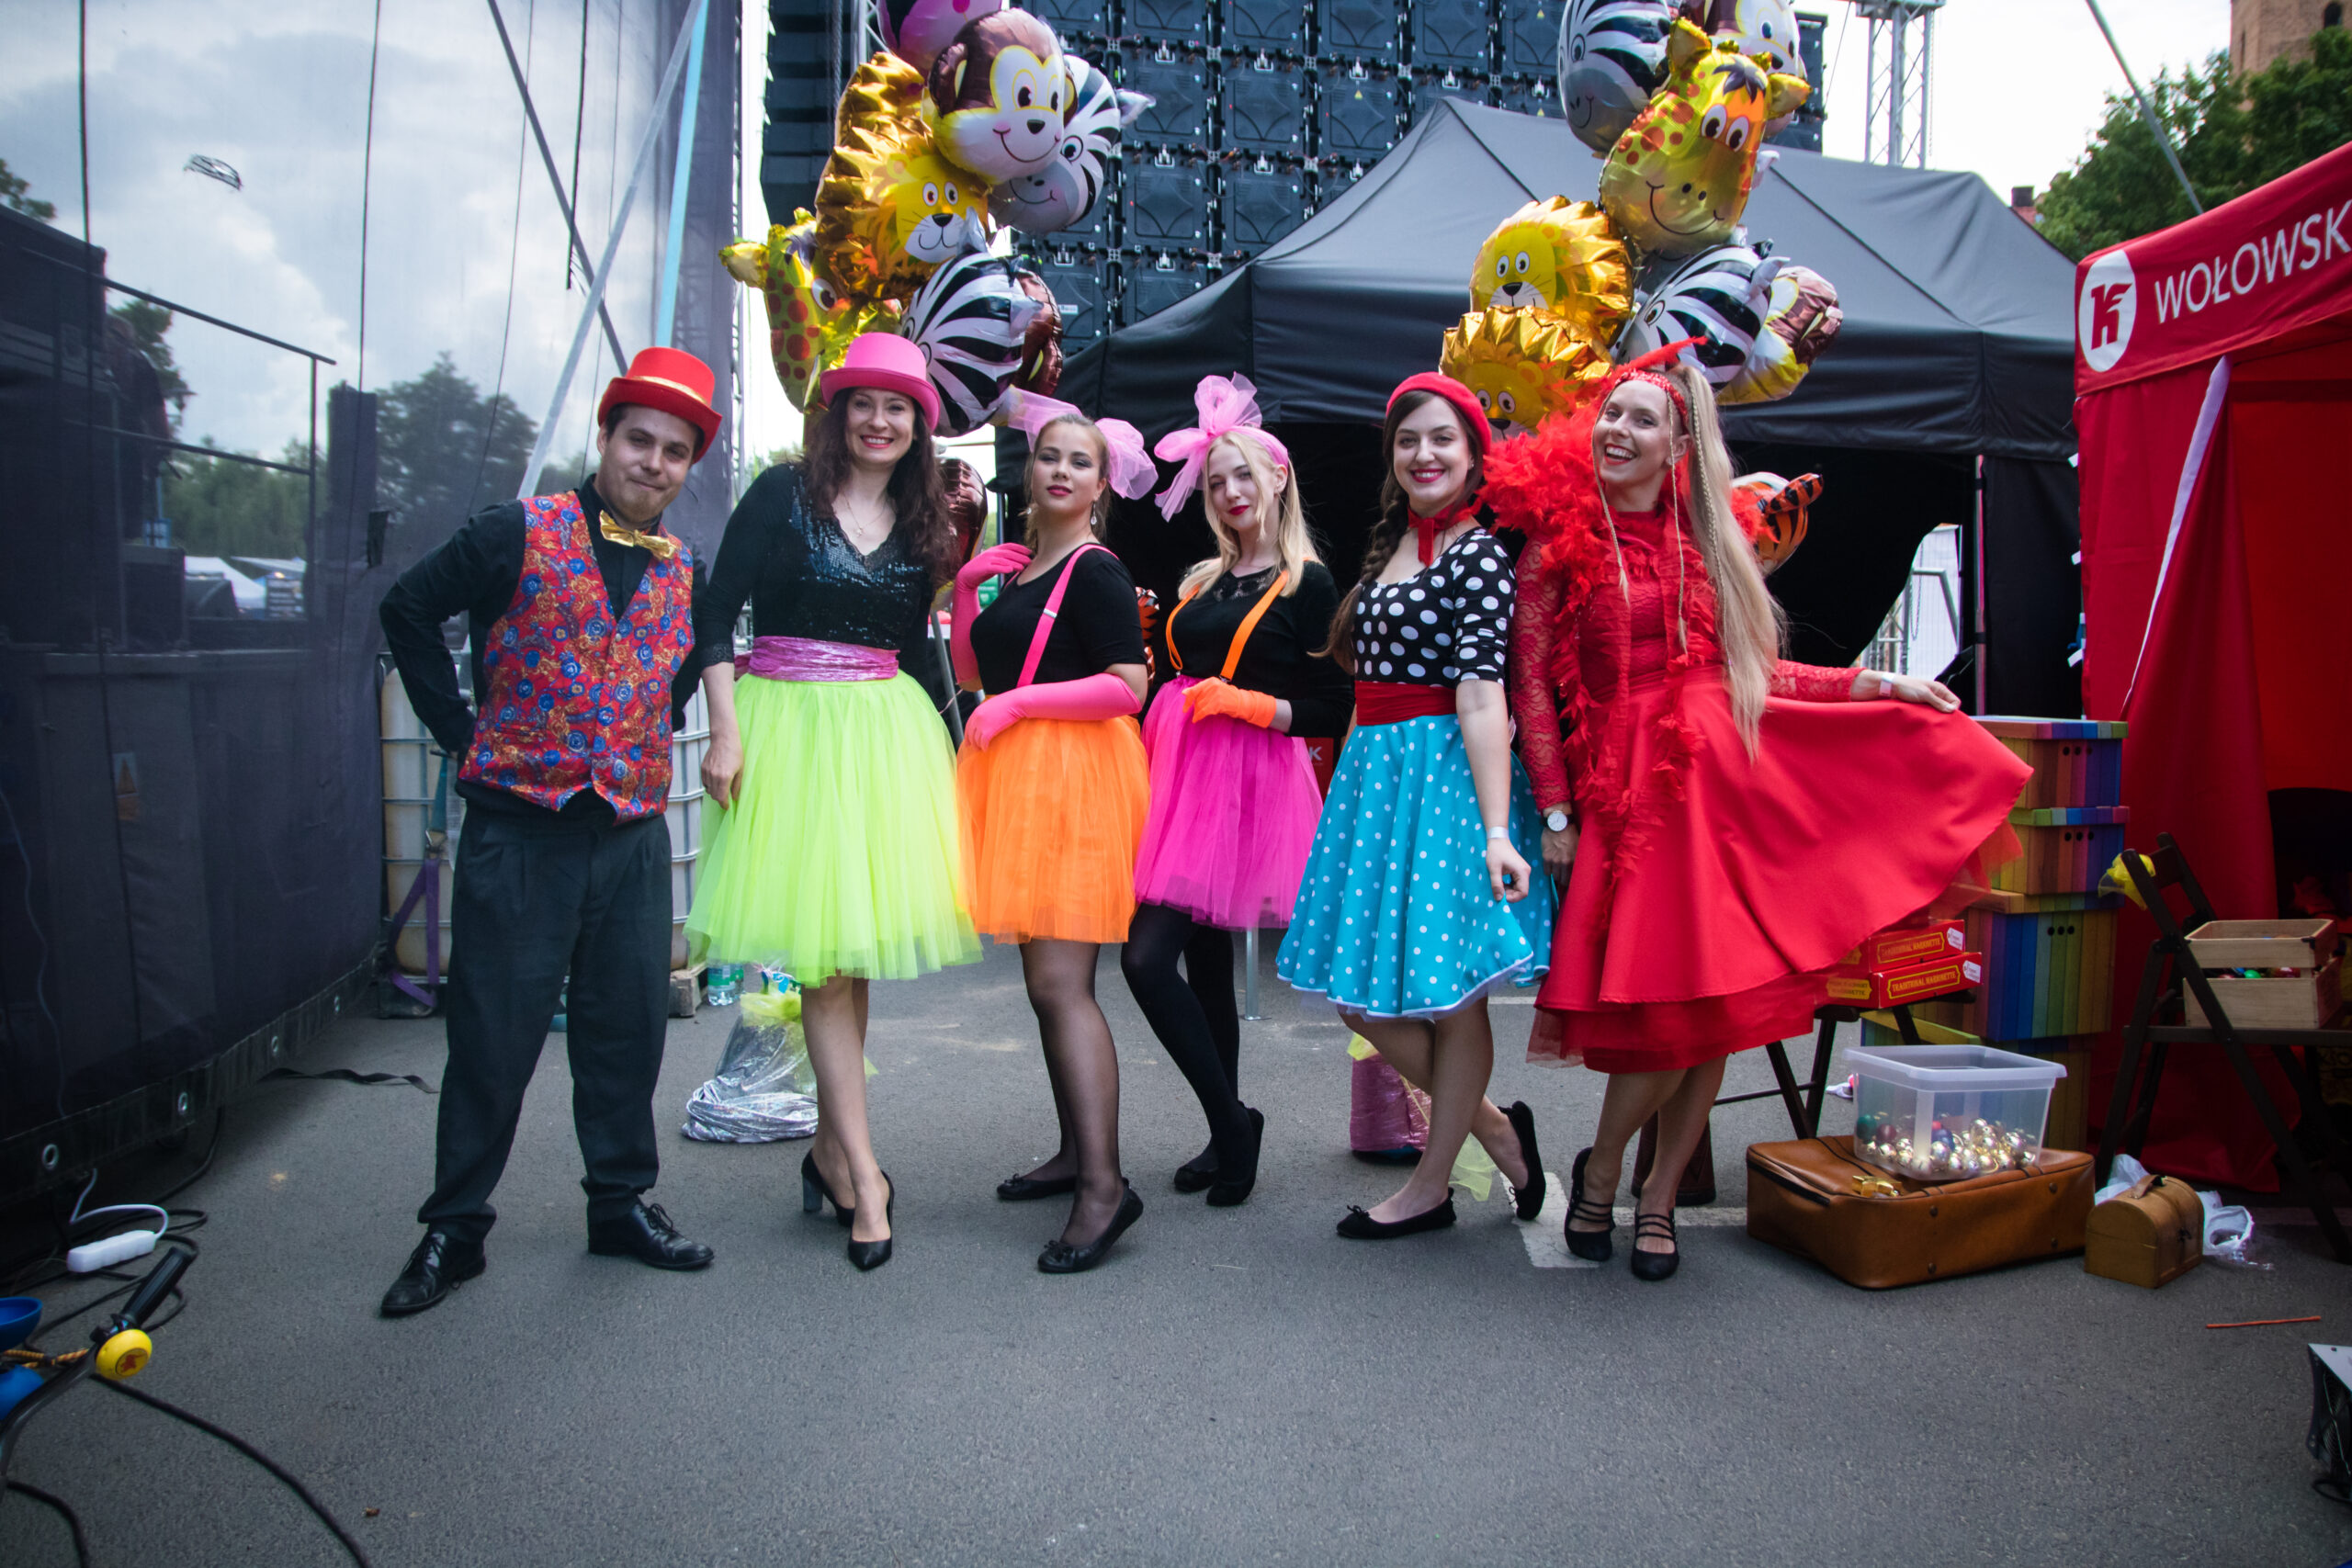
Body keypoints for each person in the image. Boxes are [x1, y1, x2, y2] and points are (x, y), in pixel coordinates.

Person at [1489, 345, 2030, 1282]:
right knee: (1664, 1013)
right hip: (1630, 802)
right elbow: (1530, 688)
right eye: (1611, 414)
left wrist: (1874, 684)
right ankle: (1605, 1169)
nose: (1618, 430)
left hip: (1724, 793)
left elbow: (1755, 671)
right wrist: (1554, 810)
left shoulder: (1708, 543)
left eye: (1642, 420)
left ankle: (1655, 1197)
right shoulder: (1554, 547)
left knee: (1717, 1012)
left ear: (1677, 447)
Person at [375, 347, 727, 1317]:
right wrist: (462, 731)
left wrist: (636, 734)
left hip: (630, 835)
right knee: (493, 1035)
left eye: (675, 451)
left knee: (627, 1032)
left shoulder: (685, 570)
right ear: (605, 438)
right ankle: (455, 1227)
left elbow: (678, 672)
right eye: (640, 440)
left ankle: (619, 1204)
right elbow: (407, 610)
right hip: (520, 831)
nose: (654, 463)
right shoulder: (514, 531)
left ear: (688, 466)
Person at [685, 333, 981, 1273]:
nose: (880, 420)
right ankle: (864, 1173)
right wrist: (724, 730)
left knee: (848, 960)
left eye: (899, 408)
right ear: (839, 412)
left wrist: (958, 749)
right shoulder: (782, 492)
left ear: (919, 427)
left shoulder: (926, 520)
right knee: (821, 965)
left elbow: (919, 646)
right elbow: (713, 611)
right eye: (865, 403)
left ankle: (826, 1152)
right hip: (788, 732)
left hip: (882, 738)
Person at [1276, 373, 1556, 1242]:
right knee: (1360, 995)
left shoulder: (1479, 552)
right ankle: (1498, 1130)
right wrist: (1343, 794)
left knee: (1453, 996)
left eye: (1442, 438)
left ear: (1474, 453)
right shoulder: (1394, 541)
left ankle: (1432, 1185)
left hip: (1443, 780)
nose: (1423, 454)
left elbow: (1481, 693)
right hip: (1376, 777)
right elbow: (1366, 683)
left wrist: (1498, 828)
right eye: (1408, 440)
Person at [1119, 375, 1351, 1207]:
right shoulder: (1201, 579)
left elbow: (1335, 705)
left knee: (1145, 959)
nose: (1229, 492)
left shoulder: (1307, 583)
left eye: (1242, 474)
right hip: (1179, 773)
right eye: (1215, 481)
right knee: (1204, 965)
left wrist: (1254, 705)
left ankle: (1233, 1125)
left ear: (1276, 478)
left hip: (1245, 782)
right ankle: (1228, 1131)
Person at [951, 403, 1159, 1273]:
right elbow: (972, 671)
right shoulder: (1022, 567)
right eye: (1049, 456)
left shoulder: (1094, 567)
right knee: (1049, 989)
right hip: (1026, 786)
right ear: (1029, 472)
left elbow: (1128, 686)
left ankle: (1105, 1187)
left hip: (1073, 786)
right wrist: (968, 587)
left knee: (1061, 986)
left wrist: (1020, 706)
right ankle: (1077, 1152)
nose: (1062, 470)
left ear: (1101, 484)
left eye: (1080, 461)